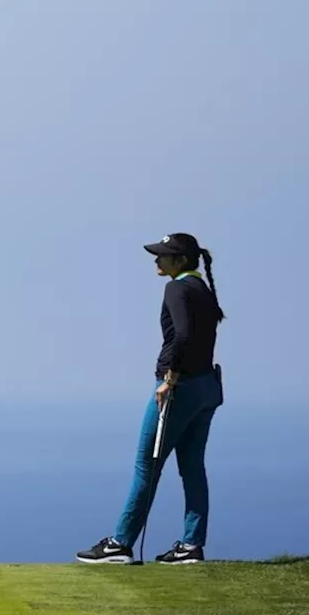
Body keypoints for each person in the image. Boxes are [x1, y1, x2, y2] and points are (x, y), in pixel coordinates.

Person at [77, 232, 226, 565]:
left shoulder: (176, 288)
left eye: (164, 255)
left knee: (147, 465)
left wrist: (169, 378)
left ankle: (120, 544)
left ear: (182, 260)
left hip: (180, 388)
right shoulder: (201, 289)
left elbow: (184, 335)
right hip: (206, 388)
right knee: (192, 467)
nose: (157, 259)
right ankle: (191, 546)